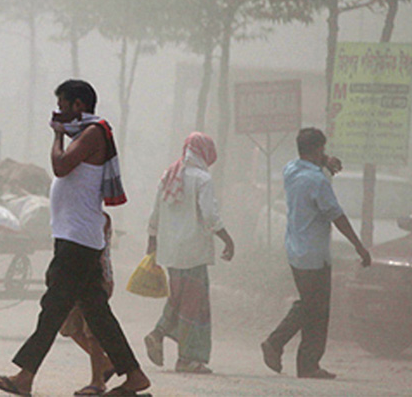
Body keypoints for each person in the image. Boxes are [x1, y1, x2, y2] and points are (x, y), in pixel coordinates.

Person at [0, 79, 149, 397]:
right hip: (76, 237)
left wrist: (57, 135)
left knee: (53, 308)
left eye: (62, 105)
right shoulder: (86, 134)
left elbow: (60, 166)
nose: (58, 112)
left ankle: (24, 377)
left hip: (78, 240)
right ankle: (134, 375)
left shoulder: (93, 132)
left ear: (78, 105)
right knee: (96, 313)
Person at [261, 127, 371, 380]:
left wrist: (324, 161)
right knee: (316, 309)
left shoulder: (291, 171)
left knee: (311, 304)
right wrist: (358, 245)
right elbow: (337, 216)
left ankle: (304, 362)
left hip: (296, 250)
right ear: (318, 149)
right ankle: (281, 346)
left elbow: (308, 162)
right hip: (314, 254)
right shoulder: (317, 181)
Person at [144, 132, 235, 375]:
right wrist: (227, 239)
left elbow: (155, 211)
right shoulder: (202, 179)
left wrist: (152, 239)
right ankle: (188, 358)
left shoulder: (169, 175)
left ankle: (159, 333)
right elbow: (210, 215)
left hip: (171, 252)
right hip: (193, 252)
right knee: (194, 306)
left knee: (178, 298)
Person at [60, 213, 117, 396]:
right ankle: (106, 363)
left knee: (92, 331)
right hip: (79, 279)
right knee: (69, 326)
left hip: (95, 279)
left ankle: (97, 381)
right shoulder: (79, 216)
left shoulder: (99, 219)